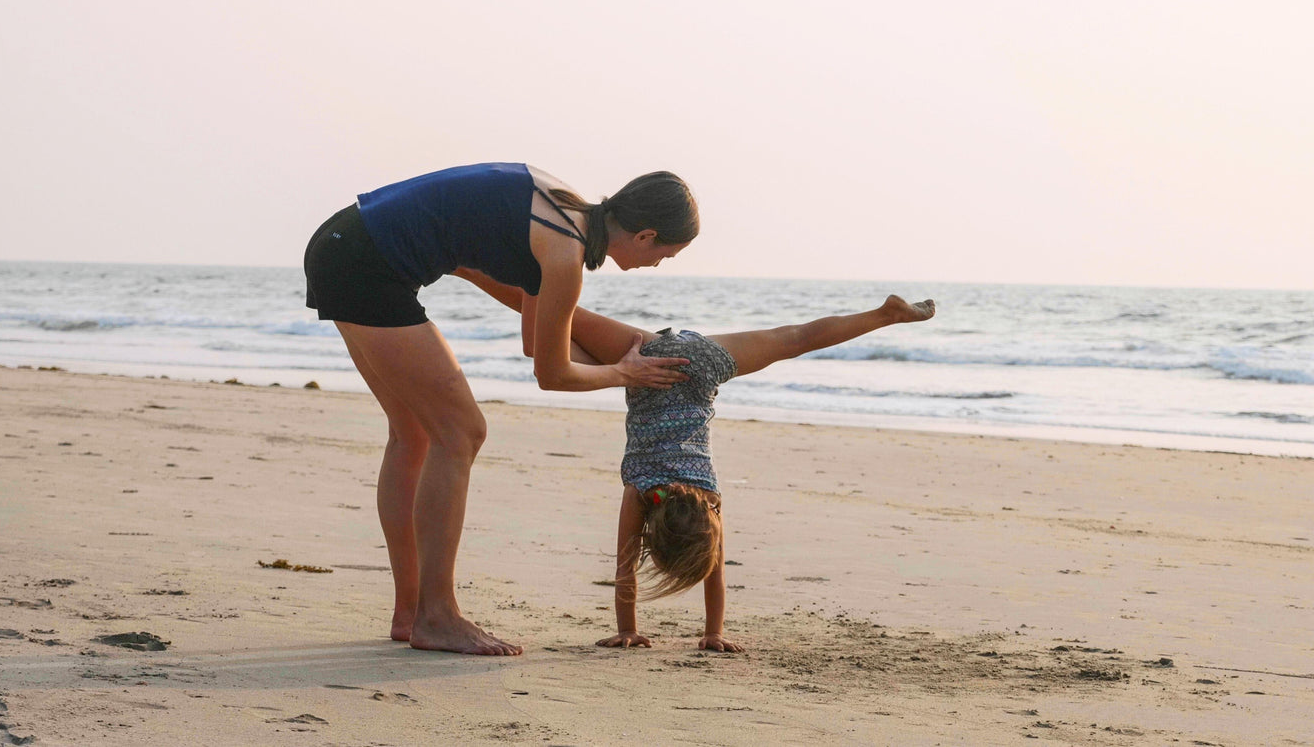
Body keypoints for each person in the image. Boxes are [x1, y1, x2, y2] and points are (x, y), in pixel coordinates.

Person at [302, 163, 697, 656]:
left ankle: (412, 613)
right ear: (645, 235)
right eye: (666, 254)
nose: (660, 264)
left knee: (415, 434)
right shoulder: (564, 253)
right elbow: (552, 376)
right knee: (462, 432)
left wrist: (623, 358)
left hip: (344, 243)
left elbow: (537, 343)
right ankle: (437, 615)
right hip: (366, 264)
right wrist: (625, 374)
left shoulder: (564, 211)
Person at [559, 294, 938, 653]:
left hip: (685, 366)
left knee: (794, 339)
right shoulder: (643, 492)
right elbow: (626, 568)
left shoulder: (709, 502)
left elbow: (709, 575)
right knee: (559, 316)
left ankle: (886, 314)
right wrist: (675, 632)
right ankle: (886, 315)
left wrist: (706, 632)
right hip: (661, 364)